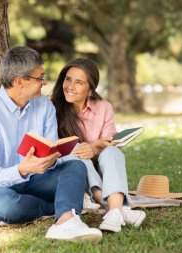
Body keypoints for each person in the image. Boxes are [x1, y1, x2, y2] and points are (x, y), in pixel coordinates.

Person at [0, 47, 102, 242]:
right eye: (40, 77)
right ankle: (59, 206)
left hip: (35, 179)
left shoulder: (44, 105)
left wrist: (53, 158)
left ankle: (66, 222)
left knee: (75, 166)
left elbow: (52, 150)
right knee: (8, 207)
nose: (45, 82)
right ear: (20, 81)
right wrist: (21, 169)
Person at [51, 58, 146, 233]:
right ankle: (115, 208)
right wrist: (93, 146)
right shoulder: (52, 109)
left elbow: (108, 145)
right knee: (76, 152)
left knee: (112, 152)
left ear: (90, 89)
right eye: (68, 79)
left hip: (101, 174)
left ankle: (113, 212)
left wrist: (95, 148)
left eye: (79, 82)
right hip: (73, 176)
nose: (70, 86)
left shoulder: (104, 107)